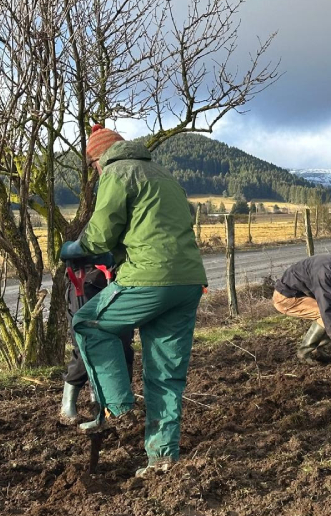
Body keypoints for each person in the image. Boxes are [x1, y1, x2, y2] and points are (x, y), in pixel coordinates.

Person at [60, 124, 207, 478]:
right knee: (166, 374)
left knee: (88, 323)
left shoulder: (116, 172)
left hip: (148, 280)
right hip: (187, 282)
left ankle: (117, 407)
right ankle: (162, 458)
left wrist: (76, 248)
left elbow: (102, 230)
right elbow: (155, 228)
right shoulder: (164, 175)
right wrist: (118, 255)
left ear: (97, 159)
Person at [58, 254, 134, 425]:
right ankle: (67, 405)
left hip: (117, 282)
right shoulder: (96, 230)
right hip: (86, 281)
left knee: (123, 344)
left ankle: (115, 405)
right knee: (86, 345)